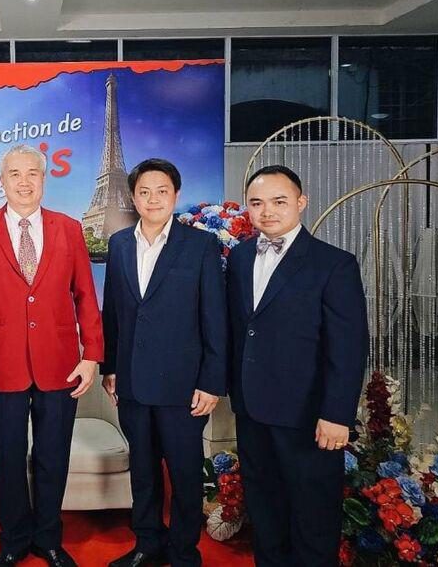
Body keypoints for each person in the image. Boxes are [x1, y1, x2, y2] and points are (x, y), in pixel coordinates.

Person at [0, 144, 103, 567]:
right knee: (7, 458)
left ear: (44, 179)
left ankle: (49, 539)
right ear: (1, 181)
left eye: (32, 173)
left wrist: (92, 355)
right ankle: (14, 540)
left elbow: (85, 296)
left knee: (53, 456)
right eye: (15, 174)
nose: (24, 182)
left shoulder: (69, 228)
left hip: (61, 364)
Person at [226, 165, 367, 567]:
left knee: (313, 515)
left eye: (279, 201)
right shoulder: (239, 257)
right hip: (252, 410)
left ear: (301, 203)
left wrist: (337, 414)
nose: (267, 211)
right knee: (265, 511)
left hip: (308, 415)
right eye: (257, 203)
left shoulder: (333, 263)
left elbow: (349, 346)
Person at [100, 158, 227, 567]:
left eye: (162, 191)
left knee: (185, 473)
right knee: (143, 470)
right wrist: (110, 367)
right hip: (132, 382)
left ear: (175, 195)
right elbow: (113, 312)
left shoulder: (201, 245)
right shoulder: (119, 244)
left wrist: (212, 381)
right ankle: (147, 544)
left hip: (183, 386)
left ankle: (184, 551)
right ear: (133, 196)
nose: (153, 199)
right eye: (144, 192)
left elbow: (215, 318)